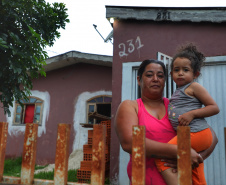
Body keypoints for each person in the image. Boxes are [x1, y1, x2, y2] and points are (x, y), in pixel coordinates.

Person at [114, 59, 218, 185]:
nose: (155, 79)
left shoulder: (175, 106)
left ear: (165, 81)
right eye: (149, 75)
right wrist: (179, 151)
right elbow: (129, 143)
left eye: (160, 76)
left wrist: (197, 157)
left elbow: (212, 136)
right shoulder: (131, 106)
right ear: (138, 80)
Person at [155, 44, 220, 185]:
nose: (180, 73)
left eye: (186, 70)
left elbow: (214, 108)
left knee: (162, 157)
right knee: (195, 171)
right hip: (189, 134)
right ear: (171, 74)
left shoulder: (194, 87)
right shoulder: (178, 91)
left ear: (195, 74)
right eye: (176, 70)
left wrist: (192, 114)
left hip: (197, 133)